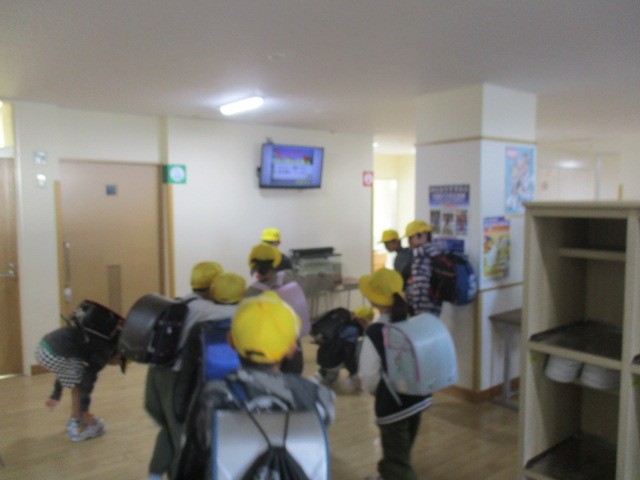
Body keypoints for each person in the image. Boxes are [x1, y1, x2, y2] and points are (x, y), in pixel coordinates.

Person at [175, 291, 335, 480]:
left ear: (231, 341)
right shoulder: (319, 397)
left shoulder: (214, 396)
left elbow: (194, 458)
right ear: (292, 348)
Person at [145, 261, 237, 480]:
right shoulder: (210, 310)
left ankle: (154, 475)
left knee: (168, 429)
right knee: (183, 436)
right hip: (176, 378)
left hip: (156, 374)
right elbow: (239, 312)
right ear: (214, 286)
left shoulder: (180, 301)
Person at [358, 268, 430, 480]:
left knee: (397, 463)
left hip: (393, 405)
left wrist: (380, 393)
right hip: (418, 398)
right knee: (401, 448)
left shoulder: (375, 331)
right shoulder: (413, 321)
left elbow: (368, 378)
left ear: (373, 300)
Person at [34, 302, 125, 442]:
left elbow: (64, 372)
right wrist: (85, 409)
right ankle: (78, 426)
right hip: (56, 353)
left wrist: (56, 394)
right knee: (79, 385)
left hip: (43, 348)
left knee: (75, 375)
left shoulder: (96, 339)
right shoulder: (103, 351)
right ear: (118, 354)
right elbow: (88, 383)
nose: (115, 364)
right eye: (119, 362)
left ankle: (77, 418)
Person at [245, 243, 309, 374]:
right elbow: (314, 281)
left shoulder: (250, 294)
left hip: (266, 345)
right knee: (293, 375)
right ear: (276, 262)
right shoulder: (290, 279)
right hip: (291, 343)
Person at [314, 306, 374, 390]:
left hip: (324, 359)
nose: (367, 325)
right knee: (362, 346)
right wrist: (353, 373)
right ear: (360, 320)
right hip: (333, 362)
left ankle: (325, 374)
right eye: (366, 322)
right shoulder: (353, 330)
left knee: (331, 373)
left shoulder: (343, 324)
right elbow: (348, 353)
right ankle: (354, 382)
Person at [404, 220, 442, 316]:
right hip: (433, 305)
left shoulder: (421, 256)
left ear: (421, 236)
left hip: (423, 309)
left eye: (410, 238)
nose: (408, 242)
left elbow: (420, 288)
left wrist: (417, 312)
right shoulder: (434, 252)